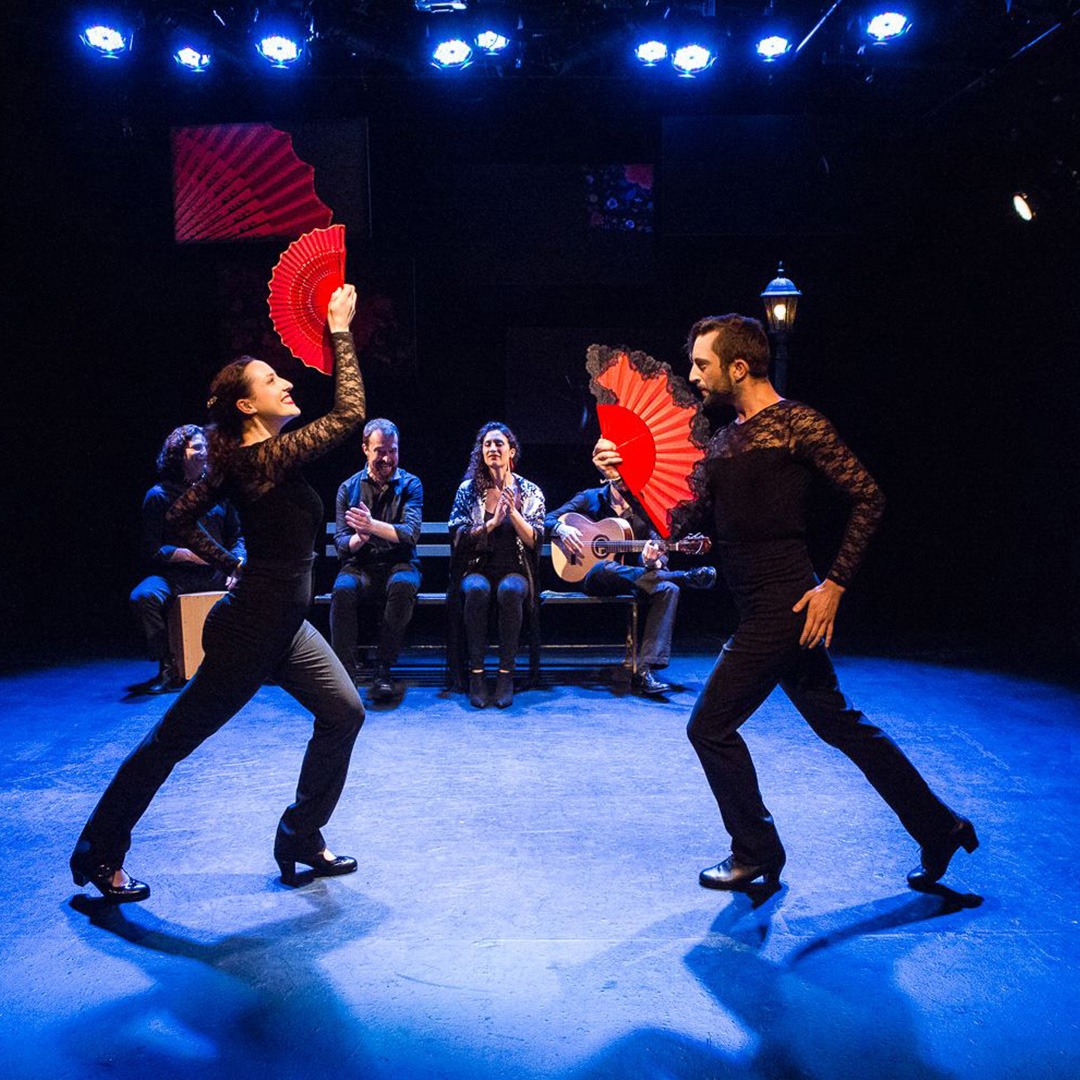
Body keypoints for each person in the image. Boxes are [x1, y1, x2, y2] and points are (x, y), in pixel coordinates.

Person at [655, 313, 977, 893]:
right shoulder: (724, 440)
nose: (693, 376)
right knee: (839, 724)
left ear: (738, 366)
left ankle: (756, 850)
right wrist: (625, 480)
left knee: (709, 727)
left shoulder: (795, 424)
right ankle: (940, 827)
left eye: (702, 365)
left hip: (783, 604)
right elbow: (687, 518)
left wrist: (834, 585)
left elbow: (868, 498)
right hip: (759, 604)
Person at [71, 285, 367, 903]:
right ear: (246, 404)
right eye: (271, 379)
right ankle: (99, 853)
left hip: (284, 627)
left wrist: (230, 561)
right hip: (249, 632)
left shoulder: (250, 460)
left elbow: (182, 517)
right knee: (172, 741)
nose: (287, 382)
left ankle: (300, 836)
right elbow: (348, 415)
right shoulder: (259, 461)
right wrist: (339, 329)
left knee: (344, 712)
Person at [546, 440, 717, 696]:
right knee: (605, 567)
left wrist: (652, 561)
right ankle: (683, 577)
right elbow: (546, 519)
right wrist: (562, 528)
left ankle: (645, 670)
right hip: (594, 577)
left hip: (635, 580)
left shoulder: (645, 508)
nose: (623, 478)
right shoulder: (589, 498)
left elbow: (659, 554)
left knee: (668, 589)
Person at [129, 425, 245, 693]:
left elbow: (238, 535)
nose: (205, 452)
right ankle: (167, 667)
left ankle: (255, 664)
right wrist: (191, 555)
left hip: (217, 572)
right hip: (176, 576)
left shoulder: (218, 490)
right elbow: (151, 548)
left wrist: (236, 564)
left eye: (207, 447)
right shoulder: (159, 495)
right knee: (143, 596)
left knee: (260, 588)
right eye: (198, 447)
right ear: (179, 454)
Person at [447, 422, 545, 709]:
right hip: (476, 567)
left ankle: (505, 675)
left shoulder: (530, 491)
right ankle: (477, 674)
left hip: (516, 567)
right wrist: (491, 523)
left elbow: (535, 540)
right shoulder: (468, 490)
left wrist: (512, 513)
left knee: (510, 591)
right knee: (476, 589)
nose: (492, 448)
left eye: (498, 443)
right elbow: (458, 535)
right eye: (487, 444)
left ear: (511, 451)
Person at [330, 418, 423, 702]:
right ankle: (346, 676)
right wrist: (360, 538)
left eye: (392, 451)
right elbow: (342, 543)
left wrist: (371, 526)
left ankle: (383, 670)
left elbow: (409, 534)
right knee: (342, 590)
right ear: (365, 449)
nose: (387, 458)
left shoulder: (410, 484)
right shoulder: (348, 488)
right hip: (361, 564)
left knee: (403, 584)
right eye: (380, 451)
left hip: (399, 562)